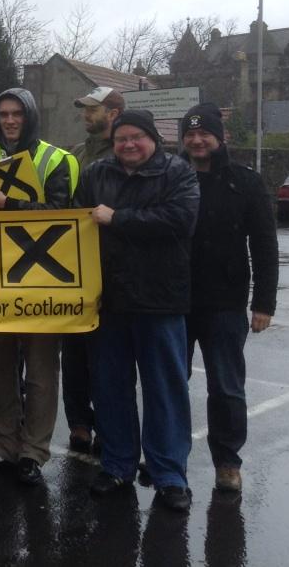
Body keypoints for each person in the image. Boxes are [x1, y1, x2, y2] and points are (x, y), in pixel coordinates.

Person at [73, 109, 199, 512]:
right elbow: (72, 221)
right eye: (121, 138)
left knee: (165, 390)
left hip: (160, 300)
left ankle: (170, 476)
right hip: (108, 301)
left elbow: (179, 220)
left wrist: (118, 219)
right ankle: (117, 466)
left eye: (136, 137)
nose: (128, 144)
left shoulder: (178, 173)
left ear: (153, 139)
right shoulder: (95, 174)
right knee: (110, 388)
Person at [0, 88, 78, 487]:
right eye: (3, 115)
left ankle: (33, 452)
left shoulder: (57, 159)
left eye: (17, 114)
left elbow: (63, 214)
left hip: (42, 279)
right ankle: (3, 445)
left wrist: (10, 206)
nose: (10, 121)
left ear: (29, 116)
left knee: (41, 371)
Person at [180, 102, 278, 493]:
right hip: (175, 301)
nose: (197, 140)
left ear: (221, 138)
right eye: (190, 134)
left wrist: (264, 303)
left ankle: (227, 462)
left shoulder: (246, 182)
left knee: (226, 387)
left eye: (204, 133)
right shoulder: (171, 178)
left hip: (225, 302)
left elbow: (265, 245)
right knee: (172, 383)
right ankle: (170, 456)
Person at [63, 86, 126, 454]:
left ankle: (108, 425)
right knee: (73, 354)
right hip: (73, 265)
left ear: (113, 113)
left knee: (107, 356)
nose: (86, 115)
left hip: (110, 266)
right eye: (84, 109)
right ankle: (79, 424)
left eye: (93, 109)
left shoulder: (124, 153)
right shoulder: (75, 154)